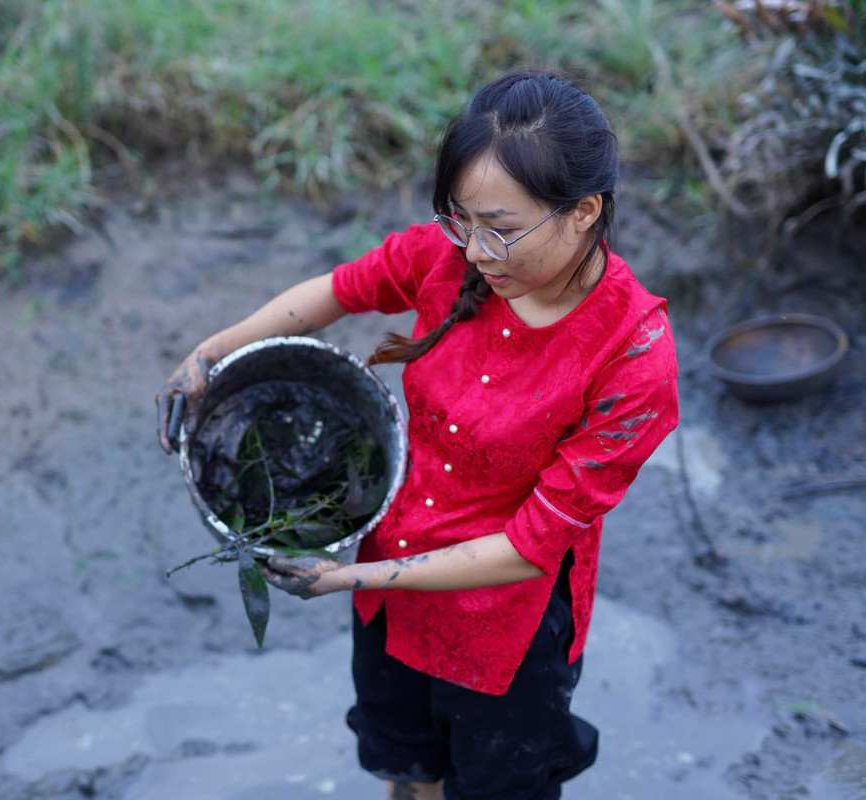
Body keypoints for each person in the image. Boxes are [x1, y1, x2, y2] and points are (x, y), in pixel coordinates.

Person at [155, 68, 679, 800]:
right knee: (408, 767)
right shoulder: (449, 257)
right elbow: (338, 291)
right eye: (460, 220)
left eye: (501, 229)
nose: (476, 252)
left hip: (508, 631)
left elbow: (530, 547)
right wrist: (213, 352)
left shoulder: (633, 353)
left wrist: (348, 578)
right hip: (392, 589)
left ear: (584, 210)